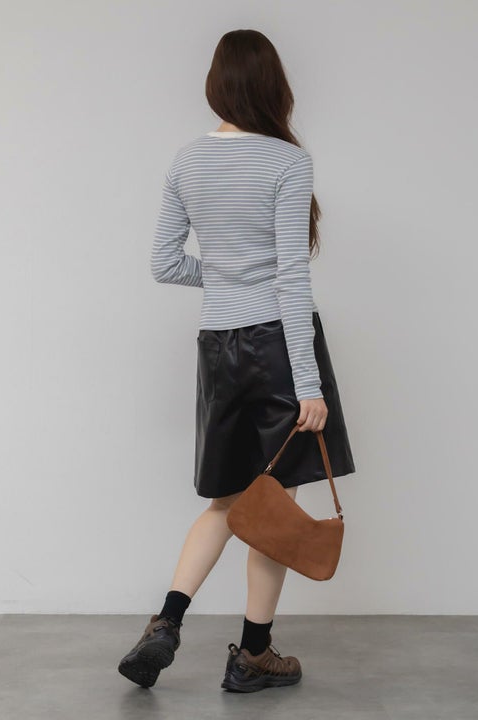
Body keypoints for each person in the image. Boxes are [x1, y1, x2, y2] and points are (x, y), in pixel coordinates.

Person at [117, 28, 356, 693]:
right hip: (279, 345)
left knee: (227, 501)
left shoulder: (186, 161)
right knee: (273, 505)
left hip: (219, 347)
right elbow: (290, 279)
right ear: (274, 86)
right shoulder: (286, 161)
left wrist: (224, 280)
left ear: (216, 86)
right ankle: (253, 656)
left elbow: (165, 264)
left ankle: (166, 622)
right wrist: (308, 382)